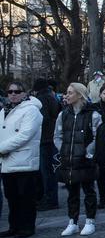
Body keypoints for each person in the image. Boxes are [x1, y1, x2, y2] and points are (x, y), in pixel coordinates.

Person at [54, 83, 102, 237]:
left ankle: (90, 221)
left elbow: (97, 137)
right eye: (66, 92)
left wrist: (87, 152)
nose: (66, 95)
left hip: (85, 159)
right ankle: (72, 222)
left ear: (79, 95)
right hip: (68, 159)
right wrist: (64, 150)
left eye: (70, 93)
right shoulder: (63, 114)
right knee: (71, 192)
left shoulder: (93, 115)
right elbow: (57, 135)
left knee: (89, 190)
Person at [0, 82, 43, 238]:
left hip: (24, 160)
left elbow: (25, 135)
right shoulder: (4, 111)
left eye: (17, 91)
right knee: (11, 197)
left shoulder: (31, 110)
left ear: (25, 93)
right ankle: (14, 226)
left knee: (25, 197)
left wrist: (2, 148)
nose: (12, 94)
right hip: (7, 161)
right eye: (9, 91)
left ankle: (27, 227)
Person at [31, 78, 61, 211]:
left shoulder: (42, 99)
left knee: (46, 171)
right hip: (50, 137)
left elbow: (42, 120)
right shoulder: (51, 96)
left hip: (45, 139)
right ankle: (50, 198)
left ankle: (50, 199)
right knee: (49, 171)